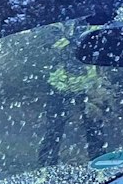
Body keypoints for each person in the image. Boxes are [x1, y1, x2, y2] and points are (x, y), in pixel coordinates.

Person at [41, 31, 104, 165]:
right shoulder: (62, 16)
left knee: (94, 129)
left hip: (89, 87)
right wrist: (74, 45)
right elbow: (48, 37)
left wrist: (73, 44)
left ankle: (101, 167)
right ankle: (45, 169)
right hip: (59, 85)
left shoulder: (99, 17)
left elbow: (103, 45)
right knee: (53, 130)